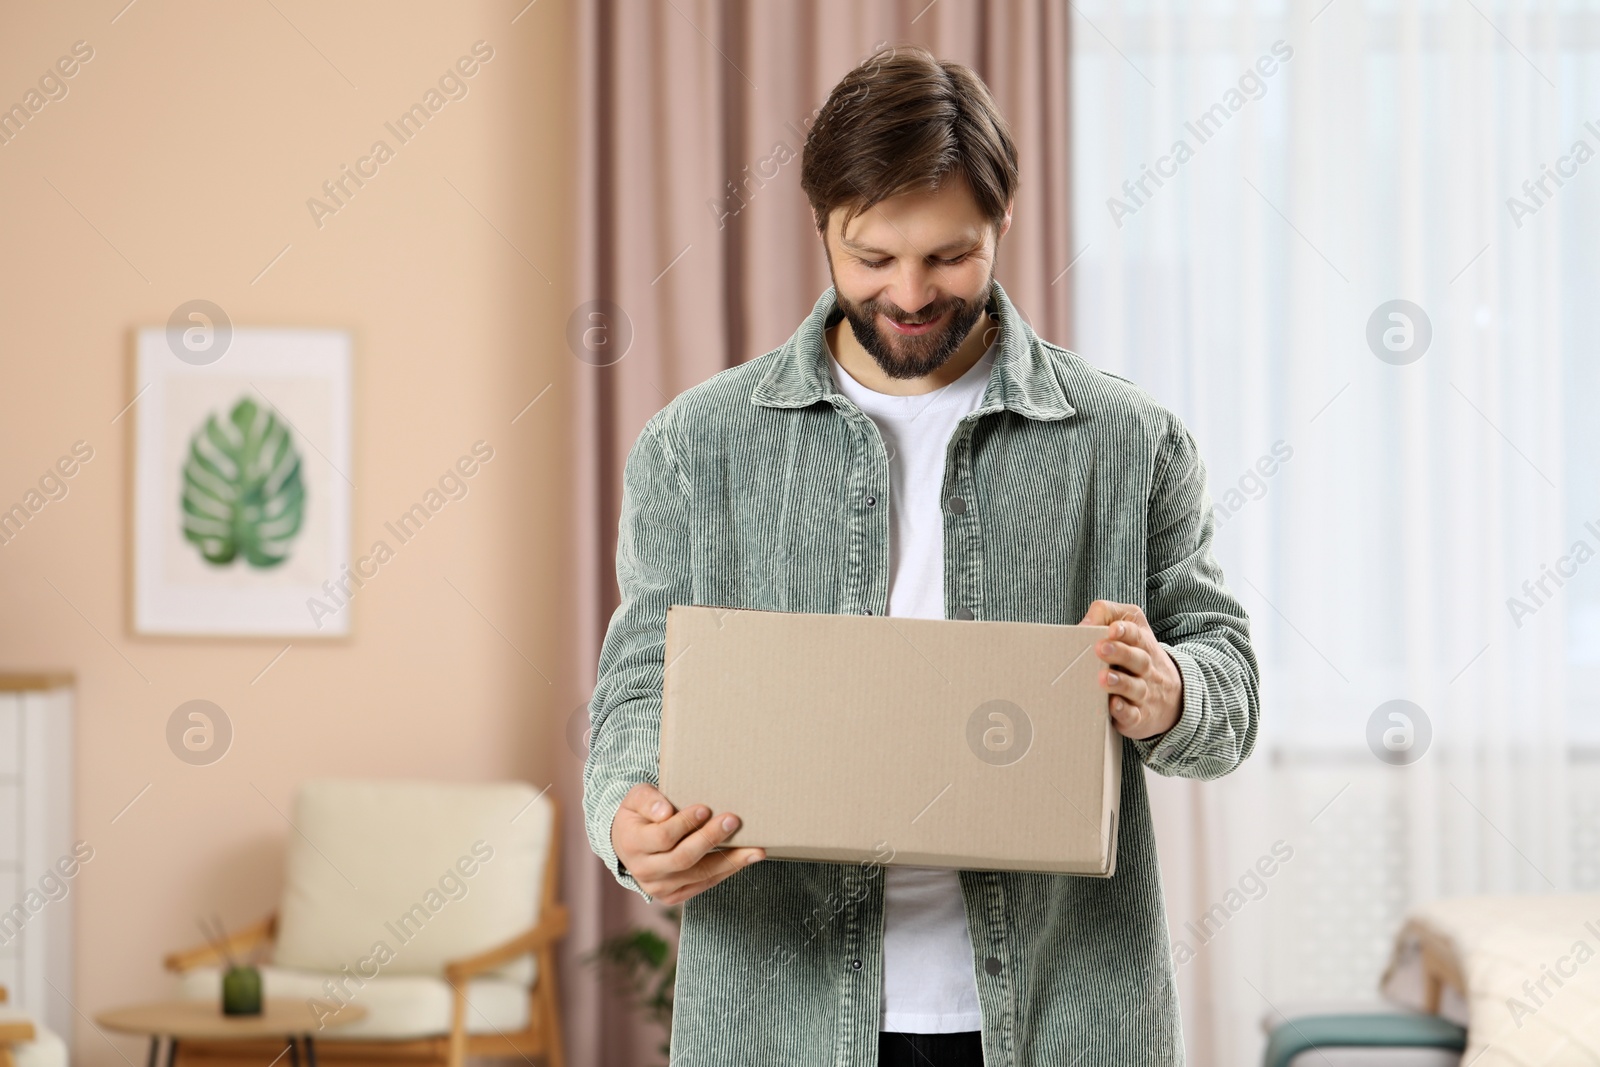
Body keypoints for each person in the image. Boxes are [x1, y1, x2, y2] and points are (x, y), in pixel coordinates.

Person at [582, 44, 1260, 1067]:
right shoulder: (696, 445)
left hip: (1061, 1010)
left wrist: (1172, 688)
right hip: (778, 1015)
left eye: (948, 256)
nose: (908, 293)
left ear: (1002, 222)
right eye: (871, 256)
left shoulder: (1128, 440)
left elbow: (1230, 686)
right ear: (820, 228)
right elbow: (641, 686)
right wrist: (623, 816)